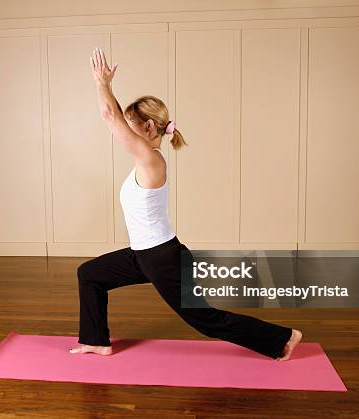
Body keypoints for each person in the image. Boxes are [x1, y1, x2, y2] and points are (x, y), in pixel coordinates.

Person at [69, 47, 302, 361]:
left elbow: (109, 116)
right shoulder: (144, 162)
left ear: (149, 128)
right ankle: (97, 340)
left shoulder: (151, 160)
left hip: (162, 258)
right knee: (90, 274)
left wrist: (102, 84)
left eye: (131, 124)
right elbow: (114, 120)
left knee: (205, 320)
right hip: (143, 254)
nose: (124, 130)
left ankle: (282, 338)